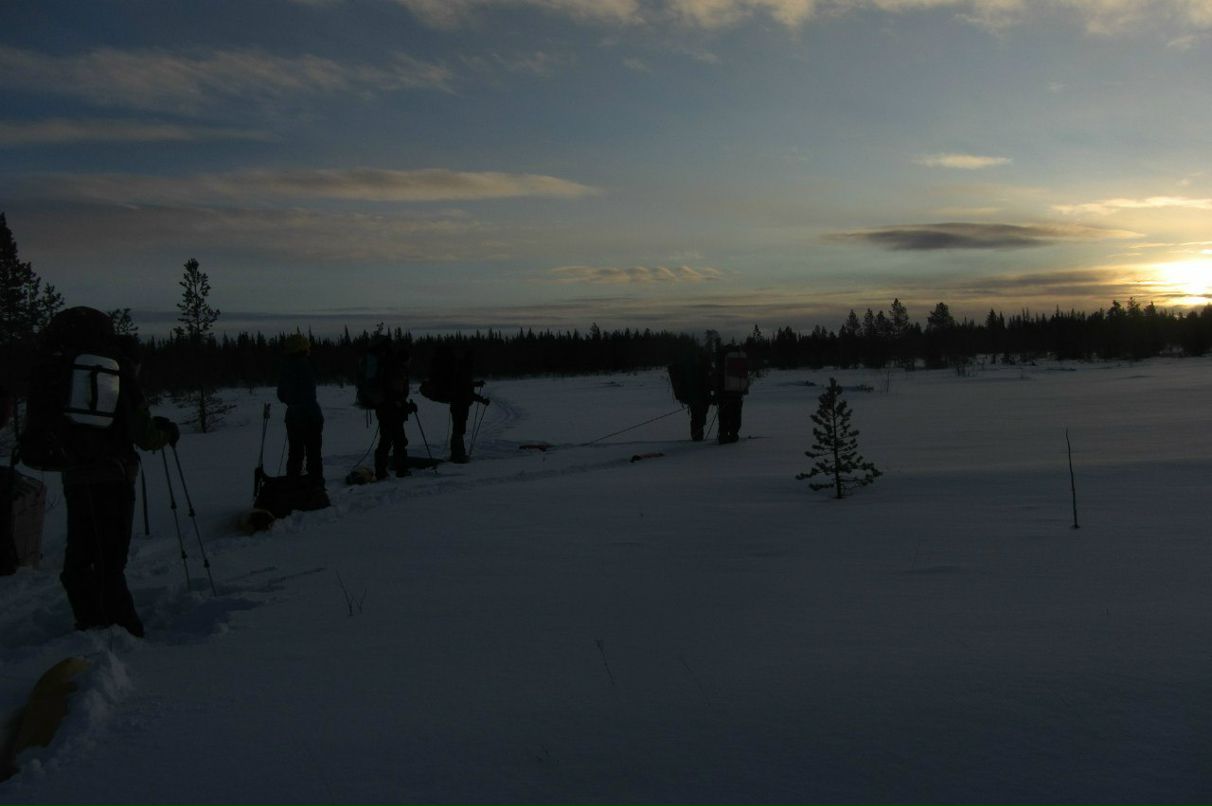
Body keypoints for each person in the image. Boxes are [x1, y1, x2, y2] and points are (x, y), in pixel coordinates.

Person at [48, 307, 178, 637]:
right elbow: (144, 436)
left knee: (80, 557)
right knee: (110, 561)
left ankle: (90, 621)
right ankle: (125, 630)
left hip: (76, 478)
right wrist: (165, 434)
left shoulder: (68, 374)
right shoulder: (120, 378)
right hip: (114, 480)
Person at [277, 333, 324, 483]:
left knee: (295, 453)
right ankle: (315, 486)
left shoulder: (285, 366)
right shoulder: (305, 364)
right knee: (313, 453)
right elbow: (308, 391)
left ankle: (293, 485)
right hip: (309, 414)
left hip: (293, 415)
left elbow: (281, 394)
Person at [372, 338, 416, 480]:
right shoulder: (397, 371)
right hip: (391, 412)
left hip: (386, 410)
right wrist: (406, 406)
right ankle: (395, 470)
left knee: (390, 440)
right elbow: (395, 396)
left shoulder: (391, 368)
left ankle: (385, 470)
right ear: (405, 360)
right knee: (394, 440)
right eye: (409, 360)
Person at [442, 346, 489, 464]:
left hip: (456, 405)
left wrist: (477, 384)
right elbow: (466, 392)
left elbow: (466, 386)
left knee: (457, 429)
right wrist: (482, 400)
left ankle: (456, 454)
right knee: (459, 430)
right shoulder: (465, 371)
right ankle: (459, 456)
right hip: (460, 406)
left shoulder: (461, 369)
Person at [668, 345, 714, 441]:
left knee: (697, 419)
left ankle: (696, 437)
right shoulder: (701, 369)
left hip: (695, 398)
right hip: (700, 399)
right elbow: (707, 384)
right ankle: (697, 438)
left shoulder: (696, 368)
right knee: (699, 419)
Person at [714, 344, 749, 445]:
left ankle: (724, 436)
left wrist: (717, 393)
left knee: (724, 415)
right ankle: (733, 434)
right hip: (737, 393)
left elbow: (717, 378)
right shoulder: (739, 357)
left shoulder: (722, 359)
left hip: (724, 394)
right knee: (736, 415)